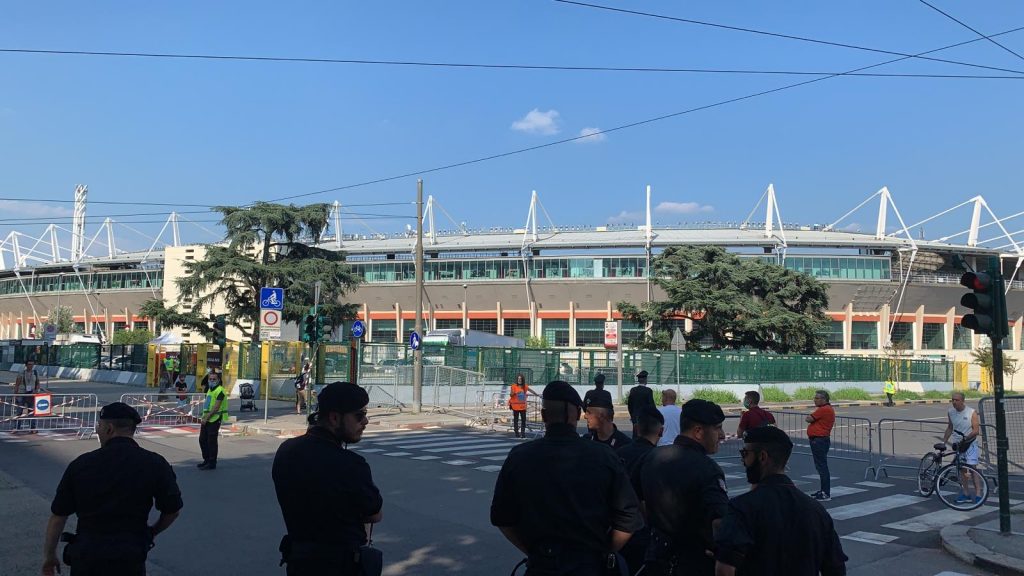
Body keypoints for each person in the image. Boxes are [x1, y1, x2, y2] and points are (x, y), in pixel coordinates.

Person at [491, 380, 643, 575]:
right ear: (578, 415)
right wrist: (604, 552)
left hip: (541, 566)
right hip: (589, 565)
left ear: (543, 416)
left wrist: (534, 553)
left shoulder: (519, 457)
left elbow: (502, 518)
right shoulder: (603, 456)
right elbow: (629, 519)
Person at [42, 402, 182, 576]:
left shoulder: (81, 464)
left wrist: (49, 555)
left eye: (99, 426)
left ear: (109, 429)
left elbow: (58, 516)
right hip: (130, 556)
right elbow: (172, 510)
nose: (97, 431)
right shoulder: (155, 463)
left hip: (87, 555)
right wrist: (152, 532)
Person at [273, 381, 383, 575]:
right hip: (341, 566)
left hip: (299, 563)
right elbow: (374, 514)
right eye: (359, 415)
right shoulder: (351, 464)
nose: (365, 422)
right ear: (334, 418)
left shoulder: (286, 450)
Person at [714, 426, 847, 576]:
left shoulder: (742, 508)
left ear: (762, 457)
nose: (742, 461)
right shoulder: (816, 510)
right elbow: (836, 568)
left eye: (745, 453)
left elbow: (724, 569)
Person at [634, 399, 728, 576]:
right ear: (698, 431)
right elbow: (720, 521)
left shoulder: (651, 457)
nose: (722, 435)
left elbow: (635, 500)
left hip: (656, 557)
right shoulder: (707, 469)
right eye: (717, 428)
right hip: (694, 562)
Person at [616, 408, 664, 576]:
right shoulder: (657, 458)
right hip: (645, 532)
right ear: (661, 431)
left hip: (619, 529)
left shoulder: (619, 453)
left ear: (636, 428)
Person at [943, 391, 984, 504]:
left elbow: (976, 430)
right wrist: (944, 442)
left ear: (962, 401)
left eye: (957, 400)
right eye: (952, 400)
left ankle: (978, 494)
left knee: (973, 468)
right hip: (958, 446)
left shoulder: (971, 412)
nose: (954, 402)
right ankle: (966, 493)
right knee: (962, 470)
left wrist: (965, 439)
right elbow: (950, 427)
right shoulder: (950, 412)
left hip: (970, 444)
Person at [806, 389, 836, 501]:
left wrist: (811, 418)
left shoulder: (824, 409)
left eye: (817, 398)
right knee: (820, 466)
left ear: (824, 399)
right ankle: (823, 490)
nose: (815, 400)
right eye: (815, 398)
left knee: (822, 467)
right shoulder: (825, 409)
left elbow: (809, 419)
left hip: (819, 440)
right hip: (820, 440)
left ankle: (825, 493)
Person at [198, 370, 227, 470]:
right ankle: (206, 460)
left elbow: (216, 407)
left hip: (214, 418)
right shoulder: (210, 389)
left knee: (211, 441)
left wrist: (207, 418)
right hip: (206, 418)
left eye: (214, 379)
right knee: (202, 440)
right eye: (210, 379)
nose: (212, 381)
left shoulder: (220, 390)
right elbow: (208, 404)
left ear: (218, 380)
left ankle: (212, 462)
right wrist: (204, 417)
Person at [14, 358, 42, 432]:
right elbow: (17, 384)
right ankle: (16, 428)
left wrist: (37, 390)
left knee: (31, 412)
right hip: (22, 393)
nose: (31, 366)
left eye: (32, 364)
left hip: (31, 394)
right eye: (29, 364)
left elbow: (38, 383)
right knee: (19, 412)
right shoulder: (21, 373)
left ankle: (32, 428)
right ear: (26, 365)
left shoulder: (35, 372)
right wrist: (15, 395)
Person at [508, 373, 538, 438]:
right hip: (515, 406)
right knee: (516, 420)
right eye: (518, 379)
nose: (519, 380)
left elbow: (531, 390)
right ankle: (517, 433)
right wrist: (515, 393)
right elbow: (511, 394)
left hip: (522, 406)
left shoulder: (525, 386)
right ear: (517, 379)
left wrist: (537, 395)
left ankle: (523, 433)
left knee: (523, 420)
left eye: (520, 379)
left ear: (522, 379)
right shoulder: (513, 386)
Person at [627, 370, 656, 439]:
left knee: (635, 436)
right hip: (645, 418)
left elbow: (630, 405)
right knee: (645, 436)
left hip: (635, 418)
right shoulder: (648, 391)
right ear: (645, 379)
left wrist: (632, 416)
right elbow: (652, 406)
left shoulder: (633, 390)